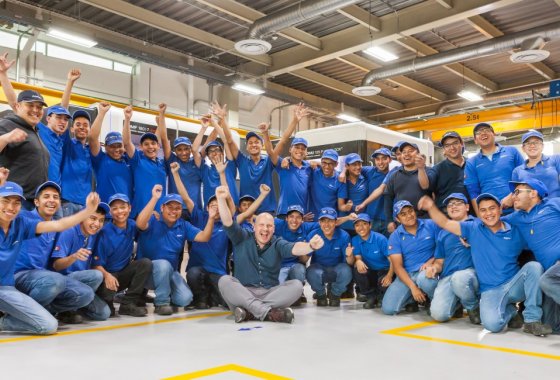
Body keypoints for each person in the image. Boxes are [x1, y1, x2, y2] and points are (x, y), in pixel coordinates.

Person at [418, 193, 552, 336]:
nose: (488, 213)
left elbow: (539, 242)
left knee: (534, 267)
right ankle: (511, 312)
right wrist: (431, 207)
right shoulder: (473, 229)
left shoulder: (515, 231)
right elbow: (445, 223)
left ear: (500, 210)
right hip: (490, 290)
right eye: (483, 210)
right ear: (479, 213)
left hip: (514, 285)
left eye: (492, 208)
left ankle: (532, 320)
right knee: (492, 325)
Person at [0, 174, 101, 335]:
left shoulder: (23, 224)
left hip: (9, 286)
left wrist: (88, 211)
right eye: (5, 201)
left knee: (79, 299)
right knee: (54, 281)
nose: (11, 207)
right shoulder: (25, 216)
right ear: (36, 201)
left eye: (16, 202)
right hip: (23, 277)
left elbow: (60, 224)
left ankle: (9, 320)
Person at [215, 185, 323, 323]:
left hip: (269, 293)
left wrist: (310, 246)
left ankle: (249, 312)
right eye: (261, 225)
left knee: (296, 285)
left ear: (274, 229)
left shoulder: (277, 243)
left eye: (269, 226)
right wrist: (220, 199)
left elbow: (294, 248)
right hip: (244, 292)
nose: (265, 229)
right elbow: (228, 222)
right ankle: (268, 313)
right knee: (224, 281)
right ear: (254, 226)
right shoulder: (241, 237)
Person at [135, 185, 215, 315]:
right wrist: (155, 198)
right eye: (170, 207)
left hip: (170, 273)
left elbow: (204, 237)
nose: (174, 211)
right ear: (162, 208)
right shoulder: (153, 218)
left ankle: (165, 292)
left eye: (177, 208)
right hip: (146, 273)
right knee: (163, 264)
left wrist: (211, 218)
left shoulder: (183, 225)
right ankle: (161, 303)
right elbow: (139, 224)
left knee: (185, 299)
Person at [169, 162, 229, 309]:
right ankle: (199, 298)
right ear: (207, 208)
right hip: (198, 270)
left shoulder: (228, 224)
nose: (216, 209)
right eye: (212, 206)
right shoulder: (199, 217)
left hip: (218, 273)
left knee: (225, 302)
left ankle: (212, 295)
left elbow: (228, 198)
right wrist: (176, 173)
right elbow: (185, 197)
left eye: (219, 206)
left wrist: (222, 175)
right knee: (193, 274)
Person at [503, 179, 560, 333]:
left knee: (546, 281)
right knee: (552, 326)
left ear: (533, 193)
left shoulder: (553, 204)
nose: (513, 196)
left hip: (553, 274)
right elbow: (491, 220)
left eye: (517, 192)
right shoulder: (517, 217)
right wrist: (502, 204)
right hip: (552, 272)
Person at [423, 193, 480, 324]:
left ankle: (472, 307)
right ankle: (457, 303)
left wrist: (474, 243)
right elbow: (439, 261)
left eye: (458, 203)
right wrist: (434, 268)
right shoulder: (443, 233)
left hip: (472, 275)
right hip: (448, 276)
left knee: (459, 278)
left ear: (467, 207)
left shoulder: (478, 225)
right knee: (438, 314)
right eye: (450, 205)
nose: (453, 206)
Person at [93, 193, 152, 317]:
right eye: (114, 208)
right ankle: (105, 300)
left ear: (129, 208)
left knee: (145, 263)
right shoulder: (103, 233)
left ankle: (128, 304)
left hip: (124, 273)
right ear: (110, 212)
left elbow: (143, 224)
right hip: (107, 275)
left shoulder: (132, 225)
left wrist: (153, 212)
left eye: (123, 207)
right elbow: (95, 264)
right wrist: (107, 275)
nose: (119, 211)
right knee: (109, 313)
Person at [51, 202, 112, 322]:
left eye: (101, 220)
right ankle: (63, 310)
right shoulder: (69, 231)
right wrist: (73, 257)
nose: (96, 224)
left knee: (104, 314)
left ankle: (75, 306)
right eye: (93, 218)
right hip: (63, 280)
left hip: (81, 284)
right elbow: (56, 265)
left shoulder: (93, 235)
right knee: (95, 276)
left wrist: (107, 274)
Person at [212, 102, 276, 214]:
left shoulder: (268, 161)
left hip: (267, 210)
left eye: (257, 142)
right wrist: (222, 119)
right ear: (246, 147)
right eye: (250, 143)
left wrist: (265, 133)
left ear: (262, 146)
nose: (253, 145)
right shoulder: (242, 161)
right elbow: (230, 140)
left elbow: (271, 151)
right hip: (246, 210)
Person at [381, 200, 439, 315]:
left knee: (424, 280)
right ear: (397, 219)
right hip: (407, 275)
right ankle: (414, 297)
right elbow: (397, 267)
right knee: (388, 309)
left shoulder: (431, 225)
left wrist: (431, 261)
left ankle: (434, 300)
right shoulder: (395, 237)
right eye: (403, 214)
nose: (409, 215)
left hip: (427, 271)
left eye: (410, 211)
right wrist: (413, 287)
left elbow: (443, 248)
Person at [0, 89, 49, 210]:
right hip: (15, 202)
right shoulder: (7, 124)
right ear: (17, 106)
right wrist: (6, 138)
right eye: (30, 105)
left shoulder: (34, 131)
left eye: (39, 107)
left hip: (34, 203)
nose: (35, 110)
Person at [261, 103, 311, 216]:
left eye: (303, 148)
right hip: (284, 214)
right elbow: (276, 147)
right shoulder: (283, 165)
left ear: (306, 152)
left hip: (302, 216)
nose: (300, 150)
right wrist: (295, 121)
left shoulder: (309, 168)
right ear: (290, 149)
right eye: (297, 147)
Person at [464, 122, 524, 216]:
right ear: (475, 140)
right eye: (478, 132)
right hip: (491, 215)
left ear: (494, 134)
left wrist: (512, 196)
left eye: (487, 130)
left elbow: (524, 177)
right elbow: (473, 192)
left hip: (518, 209)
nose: (483, 133)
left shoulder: (512, 151)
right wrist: (482, 219)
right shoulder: (472, 162)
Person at [123, 104, 167, 217]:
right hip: (140, 213)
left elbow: (160, 138)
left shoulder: (162, 164)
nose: (150, 147)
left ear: (158, 146)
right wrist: (127, 119)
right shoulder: (138, 160)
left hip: (160, 214)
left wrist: (161, 115)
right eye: (146, 144)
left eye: (153, 144)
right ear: (141, 147)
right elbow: (127, 143)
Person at [384, 142, 436, 233]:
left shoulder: (429, 172)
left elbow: (431, 190)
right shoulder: (394, 175)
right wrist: (389, 221)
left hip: (426, 222)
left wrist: (421, 168)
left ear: (418, 154)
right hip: (404, 223)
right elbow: (388, 198)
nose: (406, 154)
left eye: (411, 151)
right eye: (403, 152)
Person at [306, 207, 353, 307]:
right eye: (323, 221)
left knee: (347, 271)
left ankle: (334, 294)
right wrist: (308, 247)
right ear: (319, 222)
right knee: (310, 271)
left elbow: (350, 262)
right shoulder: (313, 235)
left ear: (336, 222)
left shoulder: (344, 236)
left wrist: (349, 255)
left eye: (330, 221)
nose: (326, 224)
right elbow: (304, 259)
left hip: (337, 269)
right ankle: (321, 294)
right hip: (319, 270)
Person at [89, 103, 133, 203]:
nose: (116, 150)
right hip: (105, 212)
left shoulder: (129, 161)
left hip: (126, 213)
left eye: (119, 146)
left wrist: (127, 119)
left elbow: (127, 141)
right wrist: (102, 113)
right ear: (105, 147)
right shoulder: (100, 159)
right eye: (112, 146)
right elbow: (92, 138)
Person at [192, 116, 239, 207]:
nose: (214, 153)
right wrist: (203, 128)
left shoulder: (229, 166)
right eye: (210, 151)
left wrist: (216, 122)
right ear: (208, 156)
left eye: (217, 150)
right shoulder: (205, 170)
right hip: (212, 211)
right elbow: (194, 150)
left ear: (222, 153)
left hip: (231, 209)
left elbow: (226, 141)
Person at [350, 213, 393, 309]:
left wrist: (389, 276)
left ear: (370, 225)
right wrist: (358, 261)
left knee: (384, 283)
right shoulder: (355, 240)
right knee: (357, 269)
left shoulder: (380, 239)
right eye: (357, 225)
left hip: (384, 270)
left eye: (364, 224)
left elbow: (393, 261)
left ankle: (382, 296)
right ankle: (371, 296)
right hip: (370, 270)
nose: (361, 227)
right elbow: (358, 257)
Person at [60, 104, 96, 216]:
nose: (82, 127)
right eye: (78, 124)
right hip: (67, 202)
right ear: (71, 129)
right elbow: (63, 109)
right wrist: (70, 85)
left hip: (86, 204)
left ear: (89, 129)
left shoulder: (92, 150)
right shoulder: (67, 144)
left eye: (85, 125)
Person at [512, 130, 560, 198]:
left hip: (555, 206)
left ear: (542, 146)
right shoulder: (517, 171)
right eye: (528, 143)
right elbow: (516, 194)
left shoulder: (555, 159)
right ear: (523, 148)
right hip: (531, 208)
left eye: (536, 142)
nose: (532, 146)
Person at [432, 131, 470, 211]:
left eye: (455, 143)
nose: (452, 147)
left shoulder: (472, 165)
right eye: (447, 145)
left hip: (471, 217)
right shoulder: (437, 170)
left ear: (462, 143)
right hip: (447, 219)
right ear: (444, 149)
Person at [308, 149, 348, 219]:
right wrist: (287, 159)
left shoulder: (340, 179)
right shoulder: (314, 171)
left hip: (330, 219)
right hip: (313, 219)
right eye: (324, 163)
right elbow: (297, 163)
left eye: (330, 163)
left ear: (336, 164)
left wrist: (347, 207)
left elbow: (341, 206)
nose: (327, 166)